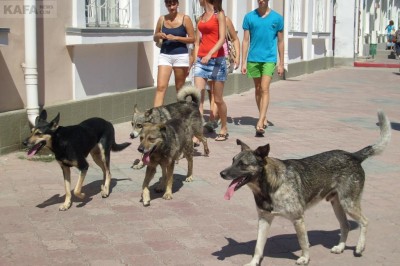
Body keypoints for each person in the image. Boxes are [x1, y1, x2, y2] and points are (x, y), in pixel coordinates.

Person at [241, 0, 284, 136]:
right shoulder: (249, 17)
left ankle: (260, 122)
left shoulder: (277, 18)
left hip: (269, 59)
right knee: (258, 89)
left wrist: (281, 63)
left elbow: (281, 41)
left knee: (265, 88)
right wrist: (243, 62)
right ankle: (263, 115)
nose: (261, 1)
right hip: (253, 58)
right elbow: (246, 40)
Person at [193, 0, 229, 141]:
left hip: (217, 61)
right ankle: (197, 133)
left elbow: (221, 40)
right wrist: (195, 59)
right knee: (197, 99)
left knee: (218, 100)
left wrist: (210, 54)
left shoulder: (219, 14)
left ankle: (224, 127)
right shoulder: (200, 17)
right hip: (202, 61)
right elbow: (197, 42)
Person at [153, 0, 195, 107]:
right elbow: (154, 37)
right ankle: (156, 117)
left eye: (173, 4)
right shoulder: (162, 19)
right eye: (168, 5)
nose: (171, 7)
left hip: (180, 56)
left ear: (177, 4)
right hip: (165, 55)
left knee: (179, 89)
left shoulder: (185, 19)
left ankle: (181, 116)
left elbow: (192, 39)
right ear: (166, 5)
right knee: (161, 87)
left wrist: (175, 37)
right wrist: (159, 35)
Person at [204, 15, 240, 132]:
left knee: (216, 91)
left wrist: (237, 57)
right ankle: (215, 114)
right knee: (211, 90)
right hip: (207, 57)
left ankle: (212, 118)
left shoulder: (225, 20)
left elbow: (234, 38)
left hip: (222, 57)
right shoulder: (203, 19)